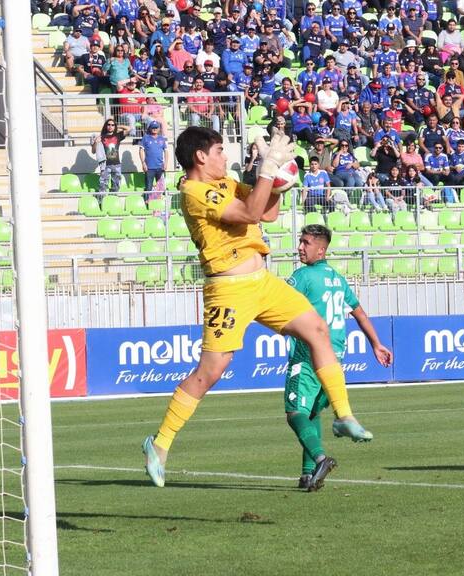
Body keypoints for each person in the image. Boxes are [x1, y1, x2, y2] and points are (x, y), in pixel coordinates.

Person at [142, 128, 372, 488]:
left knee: (318, 330)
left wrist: (278, 179)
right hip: (229, 290)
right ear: (200, 156)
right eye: (219, 150)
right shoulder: (193, 192)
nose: (224, 157)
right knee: (211, 371)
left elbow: (267, 214)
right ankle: (159, 445)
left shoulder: (228, 182)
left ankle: (343, 415)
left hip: (263, 281)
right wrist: (265, 171)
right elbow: (249, 213)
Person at [285, 224, 393, 491]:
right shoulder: (338, 278)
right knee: (312, 413)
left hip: (309, 352)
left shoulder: (302, 276)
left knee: (294, 411)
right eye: (300, 242)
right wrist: (376, 344)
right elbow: (359, 313)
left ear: (321, 250)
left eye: (306, 243)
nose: (300, 247)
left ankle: (320, 459)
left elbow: (278, 303)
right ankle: (307, 474)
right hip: (336, 358)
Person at [91, 118, 129, 205]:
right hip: (105, 165)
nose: (110, 126)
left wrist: (117, 126)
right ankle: (100, 203)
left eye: (112, 125)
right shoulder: (101, 137)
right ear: (105, 126)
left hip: (117, 165)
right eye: (108, 125)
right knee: (103, 185)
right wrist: (96, 143)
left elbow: (128, 129)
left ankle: (112, 202)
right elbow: (93, 151)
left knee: (116, 185)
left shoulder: (117, 136)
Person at [138, 121, 168, 194]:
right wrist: (143, 163)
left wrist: (166, 163)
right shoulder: (146, 138)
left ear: (159, 129)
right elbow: (141, 150)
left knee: (161, 188)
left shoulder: (162, 138)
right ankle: (148, 203)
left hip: (160, 167)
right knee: (148, 188)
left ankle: (161, 203)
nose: (154, 129)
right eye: (153, 127)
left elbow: (166, 151)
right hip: (149, 168)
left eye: (156, 127)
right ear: (150, 128)